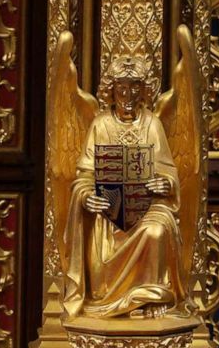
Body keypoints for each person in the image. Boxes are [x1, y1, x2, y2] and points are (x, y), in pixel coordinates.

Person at [63, 55, 185, 318]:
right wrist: (86, 197)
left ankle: (151, 298)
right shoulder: (101, 125)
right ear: (112, 90)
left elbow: (169, 173)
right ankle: (106, 297)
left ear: (143, 91)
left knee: (157, 230)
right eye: (122, 88)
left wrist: (164, 183)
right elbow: (84, 176)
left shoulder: (152, 124)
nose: (128, 95)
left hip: (147, 207)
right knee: (101, 244)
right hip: (110, 212)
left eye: (135, 88)